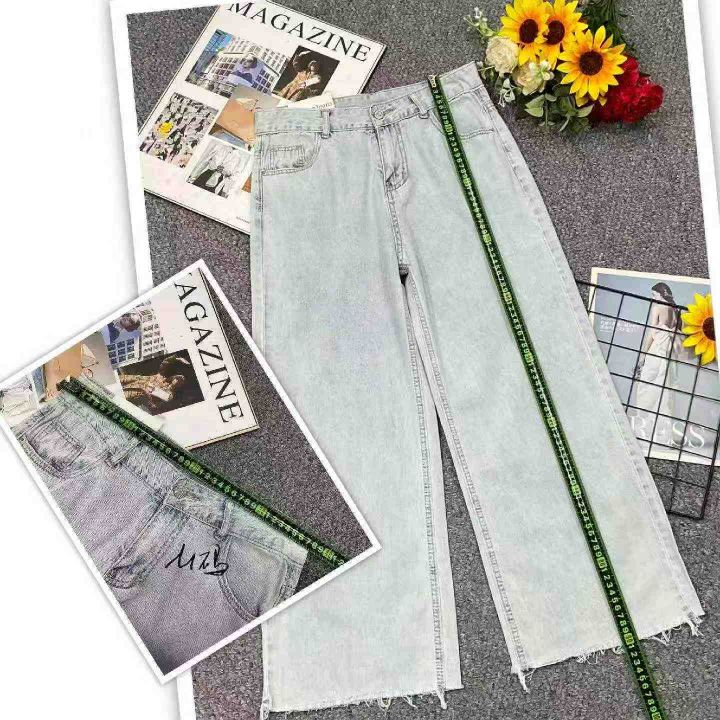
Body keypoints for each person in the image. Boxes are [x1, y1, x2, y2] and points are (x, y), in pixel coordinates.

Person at [633, 282, 682, 445]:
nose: (652, 297)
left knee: (646, 387)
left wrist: (642, 355)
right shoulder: (676, 310)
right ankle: (664, 435)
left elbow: (651, 333)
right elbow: (678, 332)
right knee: (664, 390)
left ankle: (646, 431)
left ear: (661, 294)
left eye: (654, 294)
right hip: (670, 352)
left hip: (657, 349)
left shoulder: (657, 308)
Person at [119, 355, 191, 415]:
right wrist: (177, 358)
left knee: (118, 395)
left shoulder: (170, 394)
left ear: (180, 385)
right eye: (177, 378)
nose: (176, 380)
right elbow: (165, 362)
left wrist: (170, 387)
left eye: (179, 381)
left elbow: (154, 394)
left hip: (135, 392)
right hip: (131, 380)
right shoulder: (162, 375)